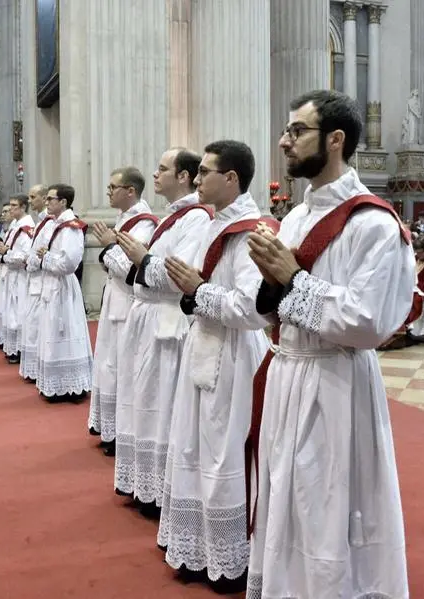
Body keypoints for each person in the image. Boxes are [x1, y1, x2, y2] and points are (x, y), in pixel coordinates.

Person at [246, 89, 413, 599]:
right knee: (287, 500)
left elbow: (369, 322)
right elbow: (275, 307)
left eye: (297, 132)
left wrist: (292, 281)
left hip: (335, 382)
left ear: (335, 139)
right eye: (287, 131)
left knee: (327, 505)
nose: (284, 142)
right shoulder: (295, 219)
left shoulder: (374, 224)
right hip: (287, 374)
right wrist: (274, 287)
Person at [156, 140, 271, 594]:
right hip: (202, 344)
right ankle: (200, 547)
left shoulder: (252, 231)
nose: (196, 179)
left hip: (236, 355)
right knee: (192, 445)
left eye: (204, 172)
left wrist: (198, 291)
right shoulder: (210, 223)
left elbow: (252, 309)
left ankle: (231, 555)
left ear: (232, 179)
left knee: (224, 450)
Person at [112, 148, 210, 513]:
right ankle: (145, 483)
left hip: (167, 322)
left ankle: (161, 489)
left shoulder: (196, 220)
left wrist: (142, 259)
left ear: (183, 176)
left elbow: (178, 275)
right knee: (145, 400)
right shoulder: (174, 218)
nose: (155, 175)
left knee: (162, 404)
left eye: (163, 169)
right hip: (148, 316)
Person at [88, 167, 159, 455]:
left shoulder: (145, 224)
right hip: (114, 302)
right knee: (109, 365)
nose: (108, 192)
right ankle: (110, 428)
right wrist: (110, 251)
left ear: (131, 191)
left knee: (123, 369)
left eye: (113, 187)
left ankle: (122, 433)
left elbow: (132, 271)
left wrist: (108, 248)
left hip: (129, 305)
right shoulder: (126, 219)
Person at [32, 184, 94, 401]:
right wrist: (43, 257)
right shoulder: (53, 224)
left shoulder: (71, 227)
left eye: (50, 199)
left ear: (64, 202)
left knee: (67, 331)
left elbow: (69, 264)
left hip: (64, 287)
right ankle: (56, 384)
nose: (46, 202)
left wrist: (46, 257)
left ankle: (72, 386)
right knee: (51, 330)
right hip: (51, 284)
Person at [18, 188, 56, 383]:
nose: (30, 200)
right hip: (33, 277)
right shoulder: (41, 221)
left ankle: (36, 370)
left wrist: (31, 261)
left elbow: (45, 249)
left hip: (42, 279)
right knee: (31, 324)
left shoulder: (49, 222)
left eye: (34, 197)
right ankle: (34, 368)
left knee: (35, 324)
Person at [1, 194, 35, 364]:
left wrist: (5, 254)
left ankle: (21, 349)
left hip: (21, 276)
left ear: (23, 207)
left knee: (20, 311)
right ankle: (13, 348)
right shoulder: (16, 225)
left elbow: (24, 257)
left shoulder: (27, 227)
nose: (11, 208)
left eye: (14, 205)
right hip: (12, 275)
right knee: (12, 310)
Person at [0, 204, 15, 349]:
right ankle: (4, 339)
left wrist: (5, 253)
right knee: (2, 306)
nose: (3, 214)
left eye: (7, 211)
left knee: (12, 310)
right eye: (3, 211)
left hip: (14, 272)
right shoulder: (6, 230)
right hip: (4, 270)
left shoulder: (19, 229)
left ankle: (12, 344)